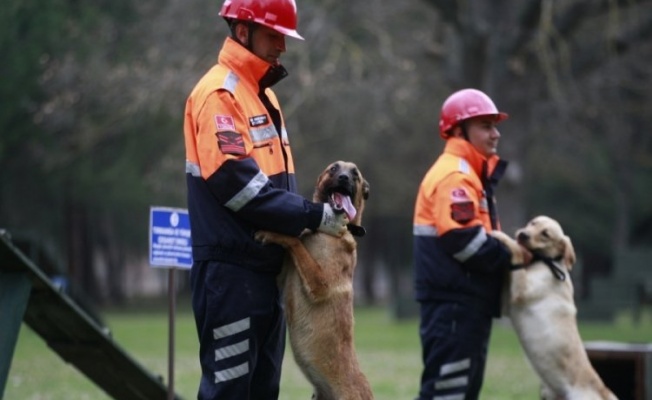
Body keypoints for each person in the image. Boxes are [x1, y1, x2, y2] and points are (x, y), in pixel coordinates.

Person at [183, 0, 349, 398]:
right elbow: (239, 187)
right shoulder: (219, 95)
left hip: (264, 276)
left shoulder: (264, 97)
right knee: (229, 392)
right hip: (230, 275)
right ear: (243, 31)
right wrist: (313, 216)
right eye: (274, 35)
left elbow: (274, 188)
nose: (283, 47)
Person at [412, 88, 531, 399]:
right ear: (457, 129)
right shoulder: (456, 176)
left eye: (495, 126)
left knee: (457, 391)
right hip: (455, 306)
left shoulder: (468, 174)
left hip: (462, 304)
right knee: (447, 393)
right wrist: (517, 256)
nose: (496, 134)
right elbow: (464, 241)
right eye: (486, 126)